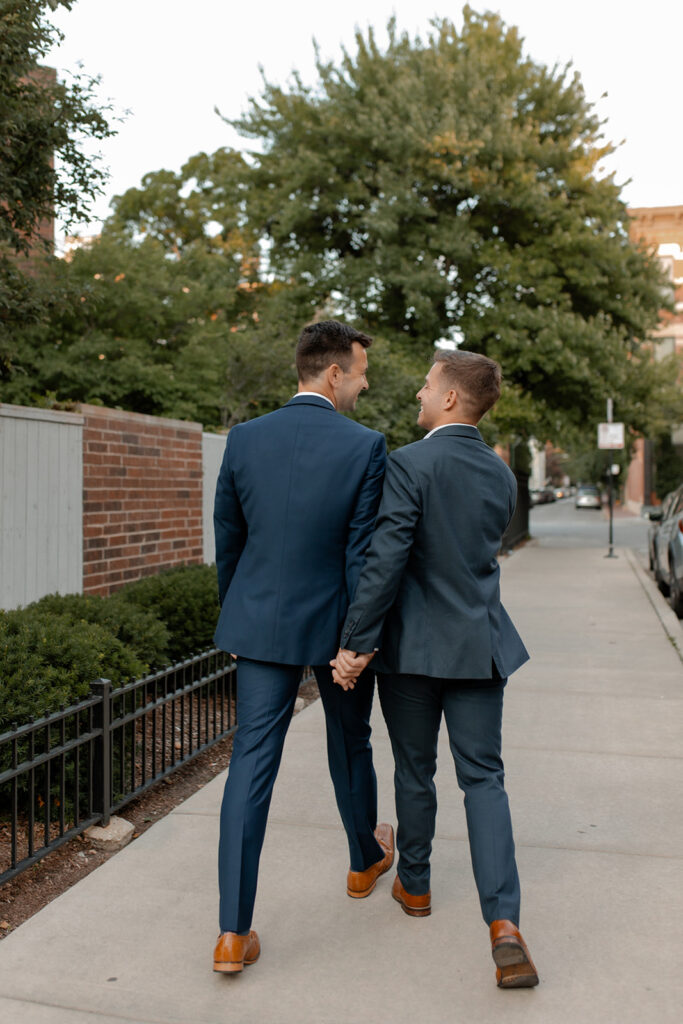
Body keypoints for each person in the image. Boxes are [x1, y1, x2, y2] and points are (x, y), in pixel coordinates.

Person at [331, 350, 539, 989]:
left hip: (414, 652)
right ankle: (504, 923)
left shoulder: (409, 464)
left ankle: (414, 886)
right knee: (485, 779)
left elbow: (386, 560)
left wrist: (354, 645)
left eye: (427, 385)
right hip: (479, 649)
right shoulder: (500, 476)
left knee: (414, 770)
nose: (419, 393)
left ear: (450, 398)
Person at [212, 320, 394, 974]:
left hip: (258, 625)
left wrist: (237, 619)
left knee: (249, 764)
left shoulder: (244, 438)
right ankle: (362, 862)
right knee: (350, 742)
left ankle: (232, 934)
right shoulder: (366, 445)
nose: (365, 383)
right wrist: (357, 643)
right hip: (334, 628)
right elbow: (359, 557)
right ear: (333, 372)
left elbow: (228, 539)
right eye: (361, 370)